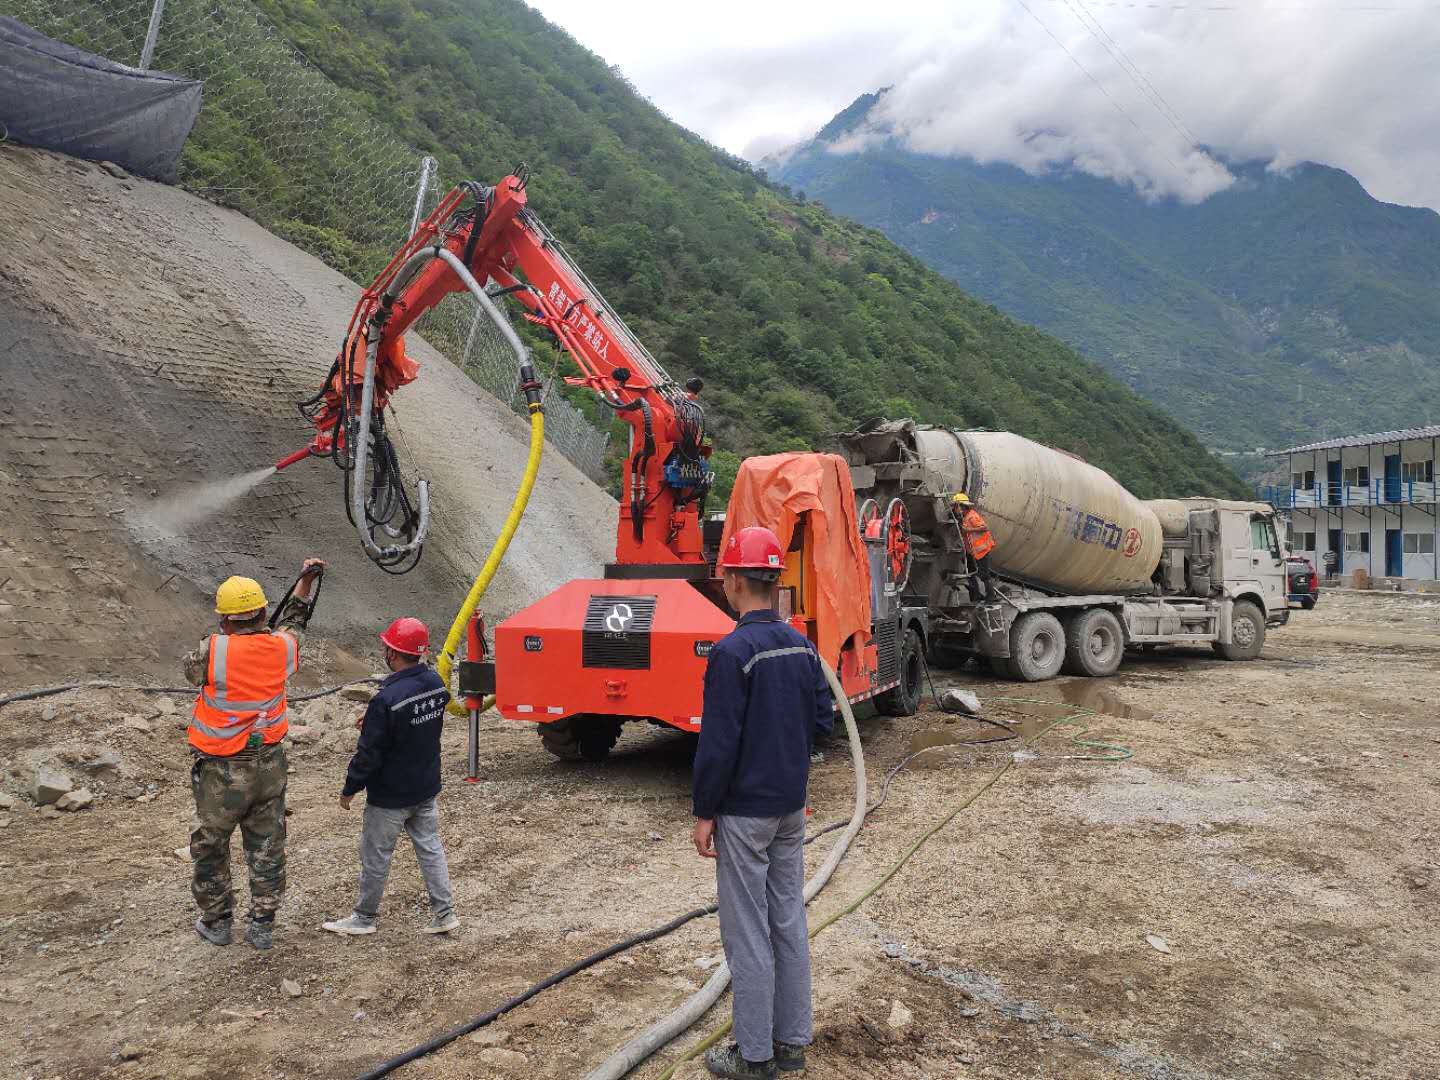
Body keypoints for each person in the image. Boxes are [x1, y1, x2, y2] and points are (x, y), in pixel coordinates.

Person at [692, 526, 834, 1079]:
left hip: (746, 814)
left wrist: (705, 812)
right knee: (788, 921)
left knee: (748, 932)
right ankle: (792, 1044)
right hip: (790, 808)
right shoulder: (800, 645)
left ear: (731, 580)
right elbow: (822, 721)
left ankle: (753, 1057)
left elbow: (718, 744)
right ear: (774, 581)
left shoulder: (733, 652)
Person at [184, 559, 324, 950]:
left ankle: (217, 921)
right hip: (270, 765)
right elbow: (295, 624)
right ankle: (262, 923)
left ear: (224, 621)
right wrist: (305, 581)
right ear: (263, 612)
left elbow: (191, 673)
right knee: (266, 844)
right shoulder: (282, 648)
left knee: (211, 844)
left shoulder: (212, 651)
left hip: (224, 770)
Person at [322, 617, 459, 937]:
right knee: (430, 849)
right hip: (425, 787)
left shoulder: (387, 699)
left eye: (387, 647)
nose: (384, 651)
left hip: (390, 796)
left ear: (394, 654)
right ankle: (445, 913)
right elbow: (417, 724)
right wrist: (374, 720)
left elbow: (370, 753)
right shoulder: (437, 684)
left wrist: (350, 787)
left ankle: (364, 918)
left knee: (376, 855)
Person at [951, 492, 997, 601]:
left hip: (982, 549)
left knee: (984, 574)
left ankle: (991, 596)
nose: (954, 509)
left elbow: (984, 527)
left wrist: (968, 530)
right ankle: (975, 595)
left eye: (955, 506)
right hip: (973, 551)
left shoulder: (972, 516)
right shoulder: (964, 517)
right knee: (969, 571)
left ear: (961, 506)